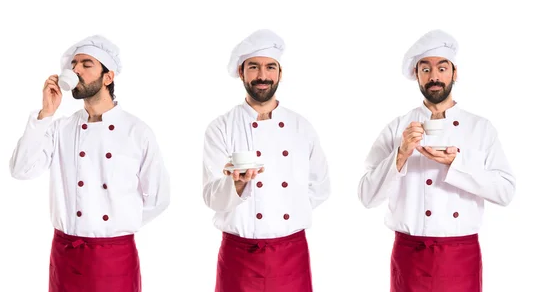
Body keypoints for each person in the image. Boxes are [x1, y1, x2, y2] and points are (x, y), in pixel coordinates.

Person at [357, 29, 516, 292]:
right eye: (426, 69)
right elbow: (366, 196)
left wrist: (457, 164)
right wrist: (401, 153)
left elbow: (506, 192)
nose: (434, 77)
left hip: (460, 257)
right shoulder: (397, 128)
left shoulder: (480, 128)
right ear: (416, 76)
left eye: (442, 68)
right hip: (410, 258)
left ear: (455, 73)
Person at [9, 35, 170, 292]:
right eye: (73, 65)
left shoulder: (137, 131)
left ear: (108, 77)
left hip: (115, 259)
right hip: (66, 257)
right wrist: (45, 114)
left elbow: (159, 198)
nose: (75, 70)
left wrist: (115, 226)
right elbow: (21, 170)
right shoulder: (60, 128)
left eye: (86, 64)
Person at [202, 29, 330, 292]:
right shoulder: (221, 127)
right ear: (241, 72)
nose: (262, 76)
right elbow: (211, 197)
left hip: (290, 254)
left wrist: (287, 212)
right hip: (238, 257)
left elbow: (320, 186)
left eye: (270, 67)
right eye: (254, 67)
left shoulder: (301, 127)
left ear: (280, 73)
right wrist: (236, 186)